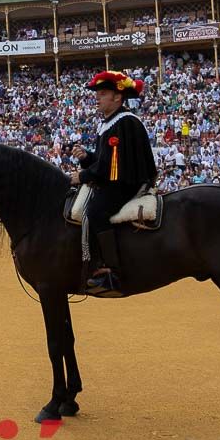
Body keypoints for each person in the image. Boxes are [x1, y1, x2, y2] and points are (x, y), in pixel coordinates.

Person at [71, 70, 157, 294]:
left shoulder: (124, 122)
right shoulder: (110, 122)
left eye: (102, 93)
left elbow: (112, 167)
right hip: (115, 179)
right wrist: (87, 158)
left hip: (125, 184)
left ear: (117, 97)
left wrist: (83, 176)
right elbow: (105, 161)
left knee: (96, 212)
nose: (97, 97)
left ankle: (112, 272)